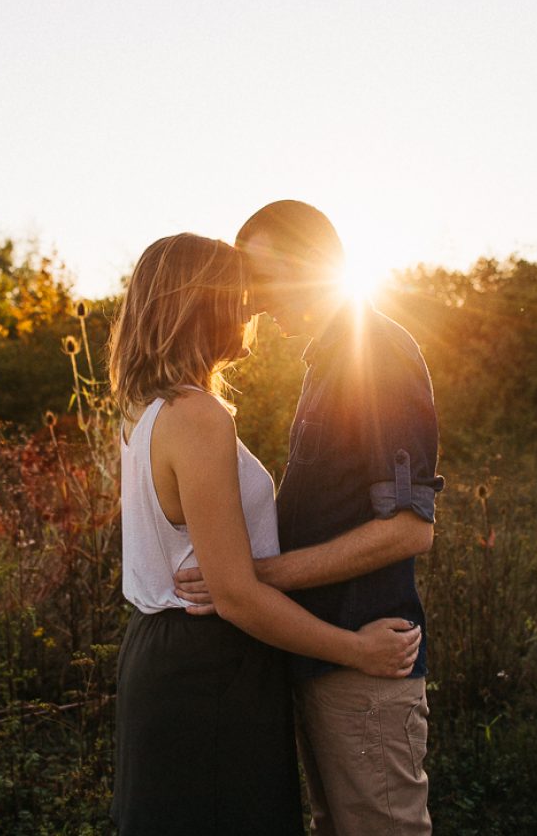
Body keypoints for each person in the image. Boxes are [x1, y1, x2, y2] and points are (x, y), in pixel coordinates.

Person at [107, 232, 422, 836]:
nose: (253, 308)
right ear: (204, 303)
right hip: (211, 663)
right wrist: (358, 649)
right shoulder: (198, 417)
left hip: (166, 653)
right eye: (240, 293)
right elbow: (235, 594)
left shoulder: (145, 411)